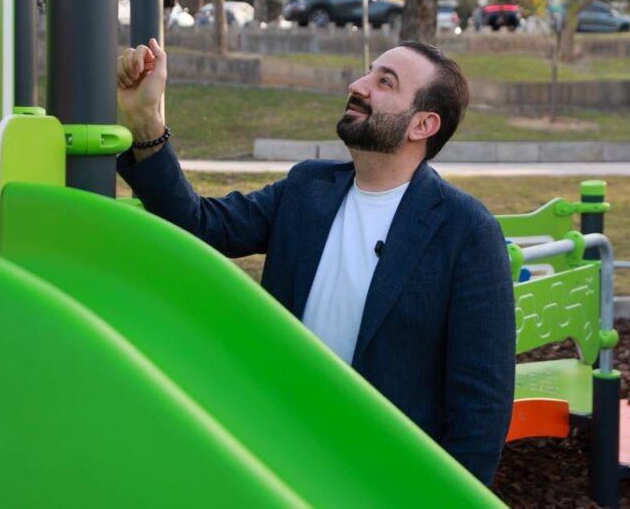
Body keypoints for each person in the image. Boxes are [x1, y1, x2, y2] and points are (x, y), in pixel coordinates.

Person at [115, 38, 515, 485]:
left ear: (423, 124)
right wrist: (145, 120)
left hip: (382, 480)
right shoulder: (307, 188)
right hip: (278, 456)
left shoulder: (466, 230)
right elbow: (199, 224)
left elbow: (482, 404)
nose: (358, 85)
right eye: (368, 72)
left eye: (385, 82)